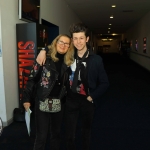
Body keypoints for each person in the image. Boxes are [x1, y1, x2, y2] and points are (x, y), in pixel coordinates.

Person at [36, 23, 109, 150]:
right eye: (75, 38)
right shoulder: (68, 56)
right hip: (70, 99)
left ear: (87, 39)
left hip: (88, 100)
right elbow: (55, 48)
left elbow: (105, 83)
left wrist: (92, 96)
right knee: (70, 133)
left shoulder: (96, 60)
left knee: (86, 131)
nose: (78, 42)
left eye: (81, 38)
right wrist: (43, 50)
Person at [22, 34, 74, 150]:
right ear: (55, 42)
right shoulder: (44, 58)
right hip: (42, 100)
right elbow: (32, 79)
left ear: (69, 47)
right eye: (61, 42)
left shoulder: (69, 62)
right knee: (41, 136)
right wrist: (26, 99)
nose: (63, 45)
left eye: (66, 43)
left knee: (56, 134)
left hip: (59, 102)